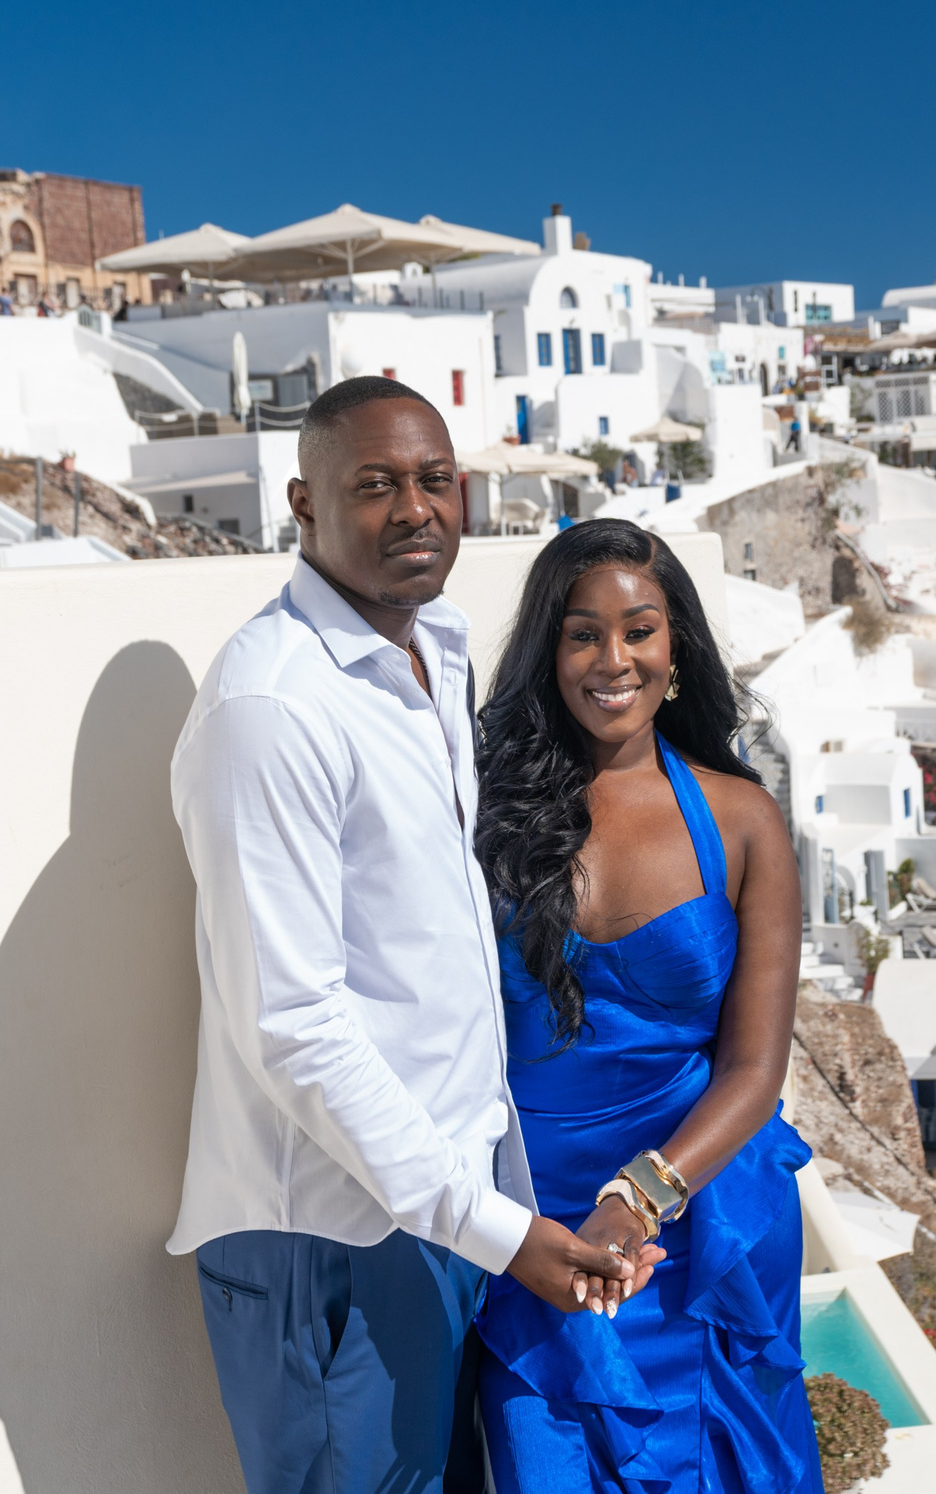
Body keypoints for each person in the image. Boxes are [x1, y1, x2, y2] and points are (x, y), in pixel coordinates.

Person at [168, 378, 646, 1494]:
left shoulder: (437, 644)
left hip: (443, 1207)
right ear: (302, 502)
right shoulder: (272, 709)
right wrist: (493, 1227)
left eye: (435, 481)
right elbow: (290, 1022)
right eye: (374, 485)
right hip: (332, 1236)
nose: (414, 509)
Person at [473, 518, 823, 1494]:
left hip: (700, 1220)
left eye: (638, 630)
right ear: (549, 651)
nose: (611, 659)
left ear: (677, 648)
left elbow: (757, 1069)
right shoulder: (481, 819)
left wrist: (641, 1195)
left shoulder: (743, 820)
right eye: (581, 633)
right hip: (537, 1233)